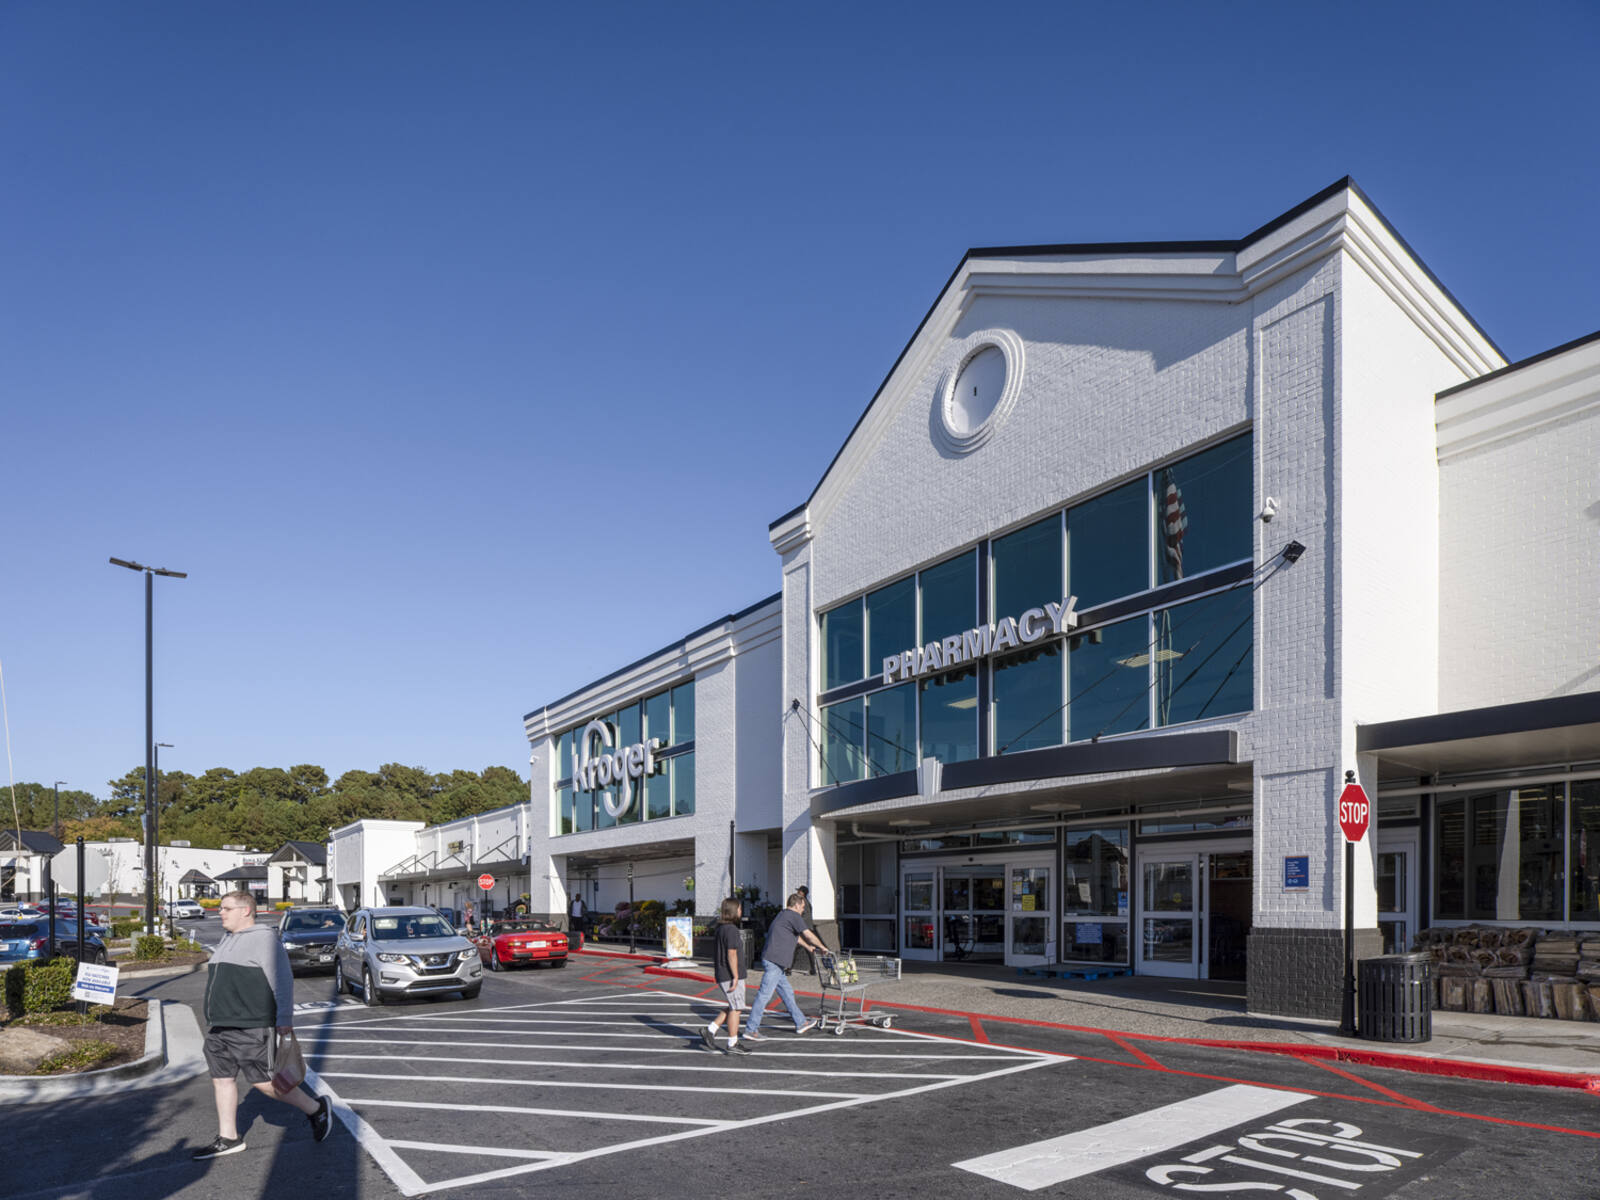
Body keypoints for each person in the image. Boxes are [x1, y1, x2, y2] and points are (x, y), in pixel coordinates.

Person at [194, 890, 333, 1160]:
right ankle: (229, 1137)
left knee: (266, 1083)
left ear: (245, 910)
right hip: (220, 1025)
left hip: (251, 1024)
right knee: (222, 1080)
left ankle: (316, 1109)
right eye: (220, 908)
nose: (219, 912)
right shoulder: (226, 939)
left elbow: (282, 981)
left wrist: (284, 1021)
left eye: (226, 908)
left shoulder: (265, 939)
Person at [743, 891, 828, 1040]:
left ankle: (801, 1023)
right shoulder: (794, 916)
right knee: (764, 995)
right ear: (796, 905)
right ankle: (751, 1029)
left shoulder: (783, 915)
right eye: (802, 907)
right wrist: (823, 946)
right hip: (775, 961)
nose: (803, 910)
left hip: (775, 962)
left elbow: (795, 937)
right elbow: (808, 934)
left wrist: (808, 947)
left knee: (787, 993)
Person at [700, 897, 751, 1054]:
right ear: (734, 911)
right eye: (740, 908)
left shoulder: (721, 928)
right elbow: (731, 954)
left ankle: (710, 1029)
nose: (741, 911)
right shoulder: (731, 930)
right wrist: (735, 976)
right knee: (736, 1008)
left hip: (724, 974)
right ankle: (732, 1043)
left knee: (733, 1005)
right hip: (729, 975)